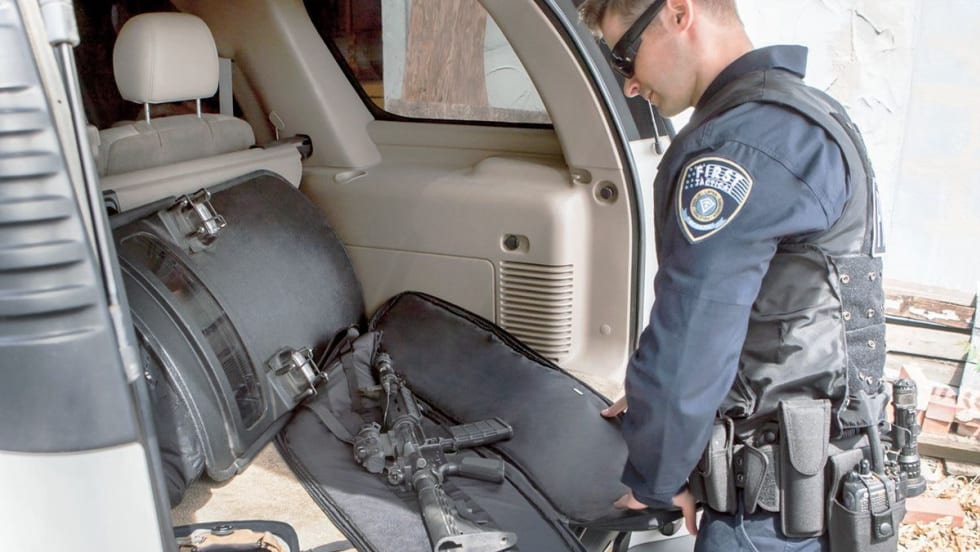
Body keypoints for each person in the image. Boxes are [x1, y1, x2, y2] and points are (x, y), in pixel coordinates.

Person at [578, 1, 892, 550]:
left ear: (678, 13)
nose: (629, 84)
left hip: (767, 513)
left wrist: (657, 476)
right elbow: (785, 308)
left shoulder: (740, 146)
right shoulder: (807, 116)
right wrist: (659, 399)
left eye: (625, 56)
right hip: (838, 484)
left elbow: (696, 330)